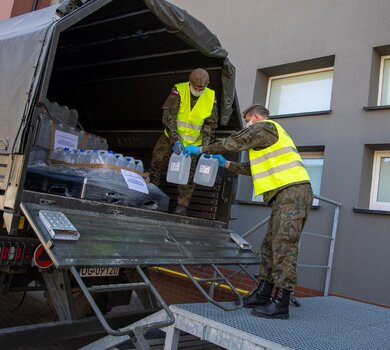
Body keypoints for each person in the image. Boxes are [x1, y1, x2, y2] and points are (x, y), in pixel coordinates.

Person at [184, 104, 313, 319]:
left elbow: (236, 141)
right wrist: (226, 165)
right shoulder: (265, 139)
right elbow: (253, 169)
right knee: (270, 244)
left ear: (253, 117)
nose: (246, 124)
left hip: (293, 191)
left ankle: (281, 302)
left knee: (283, 244)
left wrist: (202, 149)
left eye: (246, 120)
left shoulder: (266, 127)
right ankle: (263, 293)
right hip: (284, 194)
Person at [149, 68, 218, 216]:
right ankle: (152, 197)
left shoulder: (211, 96)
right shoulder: (178, 90)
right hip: (171, 138)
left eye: (201, 88)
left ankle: (182, 206)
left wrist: (205, 147)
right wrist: (175, 140)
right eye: (195, 87)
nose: (198, 90)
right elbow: (169, 116)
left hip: (194, 143)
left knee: (189, 174)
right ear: (190, 83)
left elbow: (210, 124)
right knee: (157, 162)